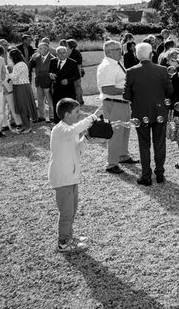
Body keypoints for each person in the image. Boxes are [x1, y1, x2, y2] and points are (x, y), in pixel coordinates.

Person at [48, 98, 102, 252]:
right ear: (66, 115)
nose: (79, 114)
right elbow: (75, 130)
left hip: (71, 176)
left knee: (72, 210)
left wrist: (86, 138)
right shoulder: (60, 130)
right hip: (63, 177)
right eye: (77, 112)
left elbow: (77, 149)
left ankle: (69, 236)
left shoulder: (69, 129)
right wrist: (94, 115)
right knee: (66, 212)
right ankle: (63, 243)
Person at [123, 42, 173, 186]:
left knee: (143, 144)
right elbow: (170, 91)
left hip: (140, 112)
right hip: (159, 111)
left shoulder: (131, 71)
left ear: (137, 55)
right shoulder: (163, 70)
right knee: (160, 143)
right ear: (151, 54)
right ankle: (160, 173)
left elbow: (126, 96)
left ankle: (146, 175)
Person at [96, 40, 137, 175]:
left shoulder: (116, 63)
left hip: (121, 103)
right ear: (109, 52)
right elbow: (107, 89)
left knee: (125, 131)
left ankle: (123, 155)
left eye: (120, 48)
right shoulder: (107, 66)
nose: (121, 51)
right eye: (118, 49)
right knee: (115, 133)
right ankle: (111, 163)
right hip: (114, 103)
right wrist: (128, 90)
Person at [8, 49, 38, 133]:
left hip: (22, 87)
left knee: (23, 107)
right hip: (18, 87)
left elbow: (14, 77)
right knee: (20, 107)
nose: (9, 57)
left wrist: (6, 74)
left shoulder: (20, 64)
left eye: (10, 56)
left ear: (13, 56)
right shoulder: (18, 64)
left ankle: (28, 127)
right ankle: (24, 125)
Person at [49, 46, 81, 123]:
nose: (61, 55)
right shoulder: (52, 61)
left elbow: (77, 75)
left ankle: (69, 124)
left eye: (63, 53)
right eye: (59, 53)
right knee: (57, 107)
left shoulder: (72, 62)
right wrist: (50, 75)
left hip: (68, 90)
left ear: (66, 53)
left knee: (68, 108)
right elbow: (50, 72)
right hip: (56, 89)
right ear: (56, 54)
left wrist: (68, 80)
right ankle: (57, 124)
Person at [30, 41, 55, 122]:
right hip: (39, 82)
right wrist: (32, 59)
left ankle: (52, 116)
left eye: (44, 48)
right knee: (40, 101)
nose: (42, 50)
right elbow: (29, 67)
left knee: (50, 100)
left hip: (48, 82)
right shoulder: (36, 58)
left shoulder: (52, 58)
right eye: (40, 48)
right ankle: (42, 116)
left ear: (47, 48)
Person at [66, 39, 84, 105]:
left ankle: (79, 101)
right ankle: (80, 100)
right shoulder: (73, 51)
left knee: (77, 86)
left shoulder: (75, 53)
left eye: (67, 45)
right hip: (74, 72)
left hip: (76, 72)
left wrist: (78, 74)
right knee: (78, 86)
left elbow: (79, 65)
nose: (66, 46)